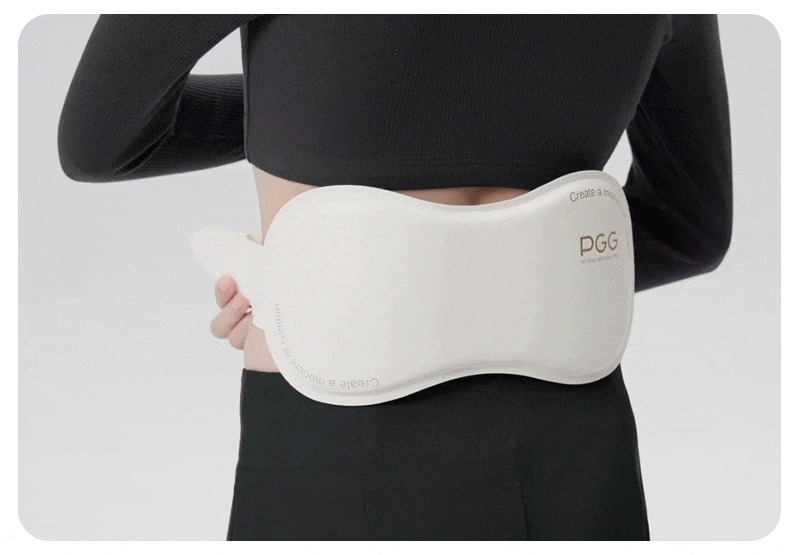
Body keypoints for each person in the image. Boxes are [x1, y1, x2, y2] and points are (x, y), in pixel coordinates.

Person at [57, 14, 732, 540]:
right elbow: (690, 229)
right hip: (574, 444)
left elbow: (102, 139)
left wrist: (345, 282)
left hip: (336, 429)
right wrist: (508, 282)